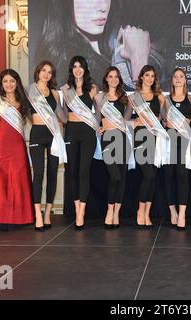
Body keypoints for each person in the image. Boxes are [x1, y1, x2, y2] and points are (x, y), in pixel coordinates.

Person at [35, 0, 166, 88]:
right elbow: (139, 107)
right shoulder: (68, 64)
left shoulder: (104, 50)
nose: (103, 7)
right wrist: (139, 59)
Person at [0, 69, 33, 230]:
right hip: (2, 144)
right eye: (5, 81)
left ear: (16, 82)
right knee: (1, 180)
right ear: (1, 84)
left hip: (17, 144)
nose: (9, 84)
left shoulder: (22, 101)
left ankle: (19, 217)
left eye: (12, 81)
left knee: (18, 179)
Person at [27, 61, 67, 232]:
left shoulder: (55, 95)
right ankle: (37, 214)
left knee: (52, 173)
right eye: (43, 70)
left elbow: (63, 118)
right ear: (38, 72)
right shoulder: (29, 90)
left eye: (49, 72)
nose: (46, 74)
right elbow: (22, 111)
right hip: (37, 133)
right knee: (38, 174)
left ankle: (47, 213)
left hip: (53, 136)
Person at [60, 56, 99, 230]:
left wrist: (99, 126)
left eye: (80, 66)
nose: (77, 69)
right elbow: (62, 115)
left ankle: (81, 212)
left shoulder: (92, 89)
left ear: (85, 68)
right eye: (74, 66)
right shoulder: (66, 90)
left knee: (84, 171)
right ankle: (76, 208)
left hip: (87, 133)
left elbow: (98, 112)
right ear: (71, 69)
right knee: (72, 171)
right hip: (71, 132)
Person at [94, 66, 133, 228]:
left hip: (122, 139)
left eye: (116, 77)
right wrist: (99, 127)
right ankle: (109, 211)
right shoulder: (99, 98)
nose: (113, 79)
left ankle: (116, 213)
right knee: (115, 176)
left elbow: (126, 120)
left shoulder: (126, 99)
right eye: (110, 76)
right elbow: (96, 119)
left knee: (122, 178)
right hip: (108, 139)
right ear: (106, 79)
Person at [129, 65, 166, 228]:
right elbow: (125, 120)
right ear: (141, 77)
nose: (150, 78)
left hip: (156, 139)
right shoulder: (134, 97)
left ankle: (147, 213)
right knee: (148, 175)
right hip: (141, 138)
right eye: (147, 75)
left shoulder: (160, 97)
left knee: (152, 177)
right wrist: (133, 121)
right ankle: (140, 211)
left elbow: (164, 119)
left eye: (153, 76)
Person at [163, 68, 191, 230]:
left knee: (183, 176)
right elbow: (161, 120)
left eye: (181, 76)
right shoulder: (165, 100)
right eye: (175, 76)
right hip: (169, 140)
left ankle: (182, 213)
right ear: (172, 80)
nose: (178, 79)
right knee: (168, 176)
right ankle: (172, 211)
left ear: (185, 80)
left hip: (184, 140)